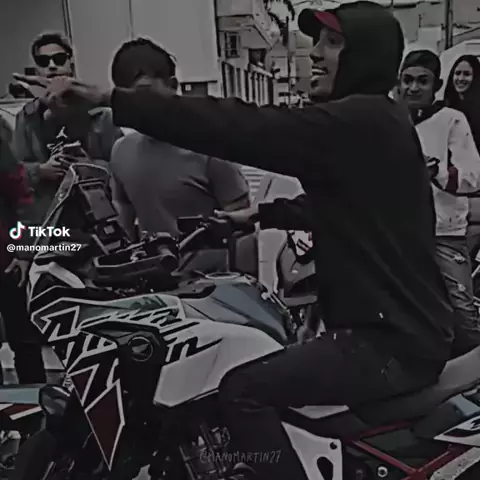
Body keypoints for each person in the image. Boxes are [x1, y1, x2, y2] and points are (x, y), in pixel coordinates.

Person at [15, 2, 457, 479]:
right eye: (317, 42)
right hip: (394, 330)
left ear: (365, 56)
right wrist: (257, 216)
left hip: (388, 344)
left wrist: (113, 99)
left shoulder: (359, 119)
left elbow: (245, 126)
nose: (315, 53)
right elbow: (351, 203)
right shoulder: (373, 122)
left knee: (243, 390)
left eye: (332, 44)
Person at [108, 38, 251, 272]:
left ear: (173, 86)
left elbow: (242, 226)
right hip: (153, 282)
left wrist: (245, 283)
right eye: (128, 98)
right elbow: (123, 213)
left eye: (145, 95)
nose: (138, 106)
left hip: (212, 285)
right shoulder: (121, 150)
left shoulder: (209, 146)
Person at [398, 50, 480, 355]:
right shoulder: (388, 119)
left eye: (422, 81)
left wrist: (437, 172)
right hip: (397, 235)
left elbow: (473, 176)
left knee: (464, 320)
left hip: (443, 235)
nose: (413, 87)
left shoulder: (452, 120)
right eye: (407, 80)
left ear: (436, 85)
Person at [14, 32, 123, 226]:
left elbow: (122, 173)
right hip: (50, 218)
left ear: (70, 64)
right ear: (37, 69)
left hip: (97, 218)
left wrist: (90, 167)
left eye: (59, 59)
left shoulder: (101, 115)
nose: (51, 66)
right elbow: (15, 172)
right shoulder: (27, 117)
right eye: (43, 61)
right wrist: (41, 171)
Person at [0, 115, 45, 384]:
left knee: (25, 342)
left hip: (8, 263)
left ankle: (39, 401)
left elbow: (22, 197)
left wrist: (24, 252)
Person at [444, 56, 480, 260]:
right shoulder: (445, 107)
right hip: (448, 182)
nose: (460, 78)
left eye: (467, 74)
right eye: (457, 73)